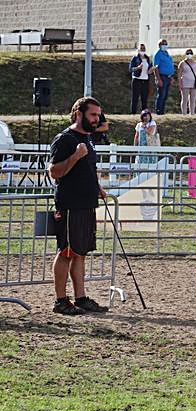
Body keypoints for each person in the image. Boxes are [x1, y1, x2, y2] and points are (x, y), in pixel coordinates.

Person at [46, 97, 110, 315]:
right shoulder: (65, 139)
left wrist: (97, 187)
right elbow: (54, 172)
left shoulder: (90, 139)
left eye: (98, 115)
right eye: (93, 115)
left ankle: (80, 298)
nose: (97, 119)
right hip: (70, 204)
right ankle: (61, 301)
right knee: (66, 251)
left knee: (80, 252)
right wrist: (75, 156)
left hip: (86, 203)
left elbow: (88, 169)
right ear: (78, 114)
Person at [153, 38, 175, 114]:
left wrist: (171, 77)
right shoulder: (157, 54)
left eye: (166, 44)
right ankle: (158, 111)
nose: (165, 45)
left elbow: (170, 65)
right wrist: (158, 79)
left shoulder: (167, 53)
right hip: (162, 76)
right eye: (163, 44)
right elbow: (155, 67)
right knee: (161, 95)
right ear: (159, 45)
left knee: (165, 95)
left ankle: (162, 111)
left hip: (168, 76)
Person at [128, 43, 152, 114]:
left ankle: (144, 114)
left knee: (144, 98)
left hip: (145, 80)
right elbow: (130, 69)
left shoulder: (147, 58)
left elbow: (148, 68)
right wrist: (138, 68)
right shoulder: (135, 58)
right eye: (141, 49)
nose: (142, 50)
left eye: (144, 49)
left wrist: (151, 70)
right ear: (138, 50)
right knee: (135, 98)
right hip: (137, 80)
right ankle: (133, 113)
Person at [177, 49, 196, 115]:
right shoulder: (182, 63)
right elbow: (179, 74)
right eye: (188, 53)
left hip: (194, 83)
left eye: (190, 53)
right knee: (185, 99)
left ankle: (192, 113)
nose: (189, 54)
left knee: (193, 99)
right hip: (185, 82)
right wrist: (180, 84)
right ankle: (184, 113)